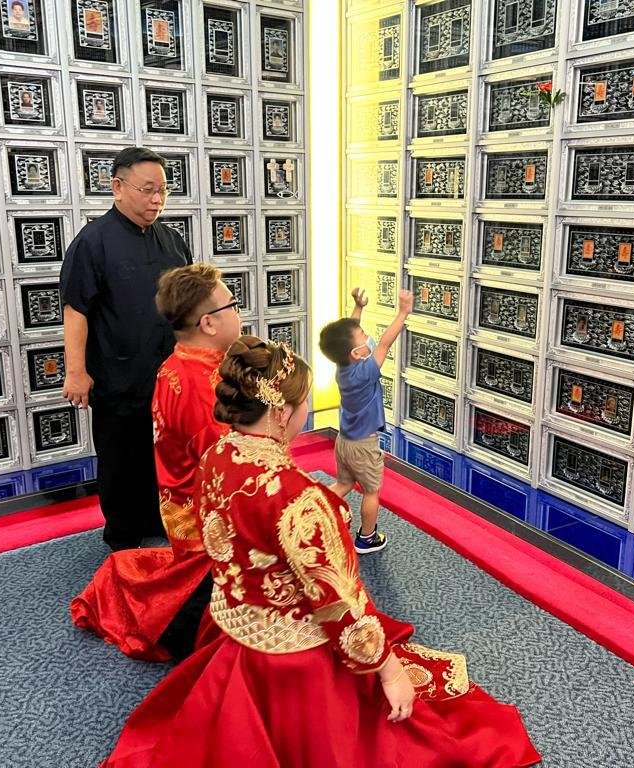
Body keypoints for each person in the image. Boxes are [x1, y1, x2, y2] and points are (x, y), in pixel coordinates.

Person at [100, 337, 541, 767]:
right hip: (295, 664)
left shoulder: (217, 453)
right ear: (280, 412)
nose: (307, 410)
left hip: (234, 636)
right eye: (305, 401)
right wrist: (388, 671)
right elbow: (340, 603)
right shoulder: (300, 499)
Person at [71, 264, 242, 661]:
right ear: (209, 323)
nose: (240, 313)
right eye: (233, 305)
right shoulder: (204, 390)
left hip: (179, 507)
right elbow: (234, 473)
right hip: (208, 520)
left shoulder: (176, 363)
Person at [61, 146, 191, 551]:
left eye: (163, 191)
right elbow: (76, 310)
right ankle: (123, 536)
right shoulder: (93, 242)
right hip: (117, 375)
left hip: (169, 373)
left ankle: (164, 524)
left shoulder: (172, 240)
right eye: (147, 189)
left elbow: (188, 302)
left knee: (168, 454)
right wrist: (75, 372)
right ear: (117, 187)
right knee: (122, 460)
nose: (157, 199)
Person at [318, 286, 412, 554]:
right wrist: (403, 312)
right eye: (363, 337)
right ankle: (367, 538)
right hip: (362, 444)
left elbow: (348, 336)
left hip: (344, 441)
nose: (367, 338)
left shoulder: (343, 366)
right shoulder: (365, 372)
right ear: (356, 352)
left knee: (344, 483)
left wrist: (358, 307)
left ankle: (316, 511)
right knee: (371, 491)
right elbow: (384, 343)